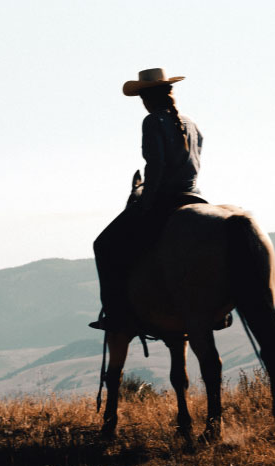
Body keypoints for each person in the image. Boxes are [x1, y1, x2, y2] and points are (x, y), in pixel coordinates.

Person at [90, 68, 206, 333]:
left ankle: (116, 314)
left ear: (147, 98)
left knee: (104, 245)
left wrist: (146, 202)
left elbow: (156, 166)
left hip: (164, 198)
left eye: (142, 97)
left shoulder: (153, 121)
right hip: (195, 196)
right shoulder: (192, 122)